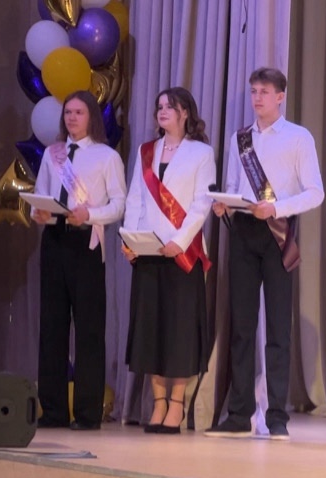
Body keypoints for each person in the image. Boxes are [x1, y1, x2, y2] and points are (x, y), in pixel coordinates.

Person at [206, 67, 324, 441]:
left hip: (278, 233)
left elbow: (315, 192)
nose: (257, 98)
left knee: (277, 328)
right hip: (243, 231)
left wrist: (277, 208)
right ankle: (239, 415)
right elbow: (233, 185)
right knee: (241, 325)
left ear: (280, 97)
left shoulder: (298, 137)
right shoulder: (240, 138)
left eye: (264, 92)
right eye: (254, 91)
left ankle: (276, 417)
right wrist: (224, 203)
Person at [29, 90, 127, 431]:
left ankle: (87, 413)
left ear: (91, 118)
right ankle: (53, 410)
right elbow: (41, 194)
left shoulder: (106, 156)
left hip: (86, 243)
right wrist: (38, 213)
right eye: (68, 112)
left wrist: (90, 214)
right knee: (52, 327)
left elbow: (118, 204)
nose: (71, 118)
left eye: (78, 112)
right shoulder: (52, 153)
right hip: (54, 240)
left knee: (88, 329)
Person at [122, 87, 215, 434]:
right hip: (147, 250)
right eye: (159, 106)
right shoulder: (147, 151)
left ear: (185, 113)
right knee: (151, 330)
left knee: (179, 331)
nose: (162, 111)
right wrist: (130, 238)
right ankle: (158, 403)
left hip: (182, 253)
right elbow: (135, 197)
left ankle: (177, 404)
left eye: (170, 107)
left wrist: (180, 241)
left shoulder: (201, 153)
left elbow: (202, 203)